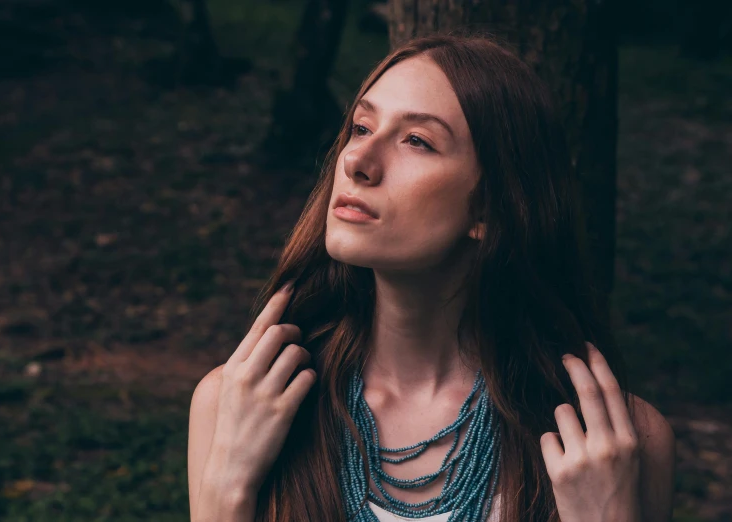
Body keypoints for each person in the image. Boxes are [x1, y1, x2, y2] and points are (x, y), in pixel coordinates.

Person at [187, 34, 677, 522]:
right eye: (360, 128)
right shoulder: (236, 406)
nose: (357, 162)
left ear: (489, 207)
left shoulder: (616, 444)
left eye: (417, 141)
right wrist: (226, 490)